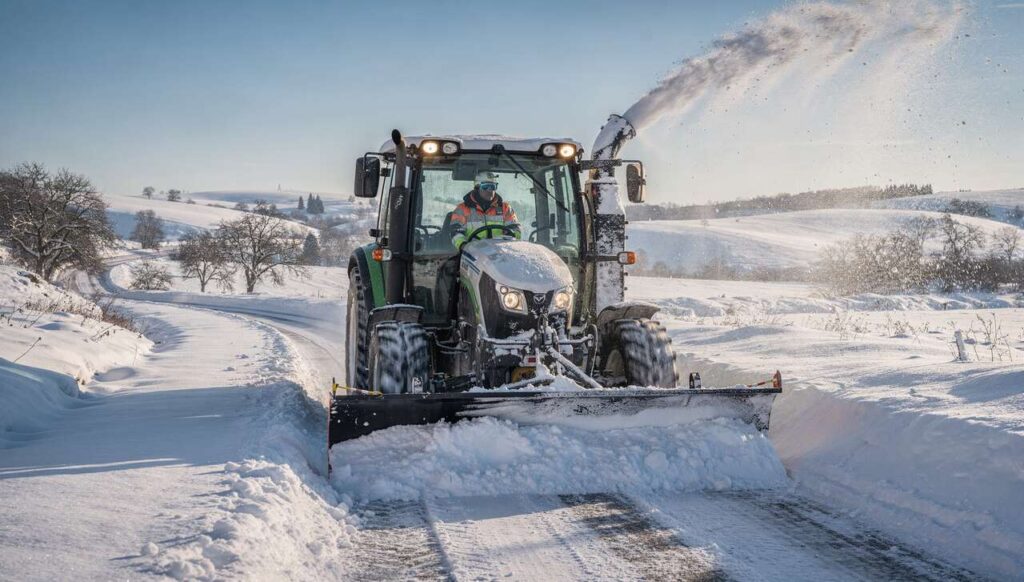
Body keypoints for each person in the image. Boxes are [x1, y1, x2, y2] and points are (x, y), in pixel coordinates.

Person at [450, 171, 520, 249]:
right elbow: (456, 233)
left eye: (493, 186)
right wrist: (465, 247)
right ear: (477, 187)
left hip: (500, 252)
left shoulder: (505, 208)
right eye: (486, 186)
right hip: (472, 253)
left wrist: (508, 239)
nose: (490, 190)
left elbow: (516, 230)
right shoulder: (462, 209)